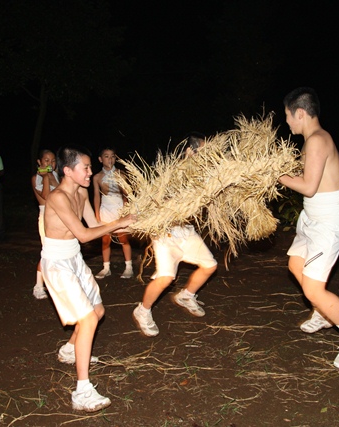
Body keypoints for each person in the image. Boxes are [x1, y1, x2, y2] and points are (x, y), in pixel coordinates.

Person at [277, 87, 339, 369]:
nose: (288, 122)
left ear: (300, 113)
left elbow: (308, 186)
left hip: (328, 223)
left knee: (314, 289)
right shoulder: (313, 140)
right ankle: (323, 314)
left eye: (288, 116)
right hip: (312, 218)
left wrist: (276, 175)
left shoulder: (317, 141)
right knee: (295, 266)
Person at [41, 145, 135, 412]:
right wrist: (118, 223)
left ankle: (70, 350)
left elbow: (94, 226)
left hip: (74, 259)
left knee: (98, 311)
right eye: (85, 167)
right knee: (88, 319)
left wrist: (129, 224)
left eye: (89, 167)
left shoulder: (81, 192)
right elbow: (84, 235)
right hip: (58, 263)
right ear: (68, 171)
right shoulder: (57, 197)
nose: (90, 171)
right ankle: (82, 391)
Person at [132, 132, 218, 337]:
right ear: (190, 151)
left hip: (186, 230)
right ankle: (142, 310)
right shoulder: (171, 173)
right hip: (165, 233)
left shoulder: (202, 175)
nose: (208, 157)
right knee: (166, 277)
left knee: (210, 265)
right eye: (204, 152)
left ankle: (186, 295)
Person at [92, 148, 134, 279]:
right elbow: (96, 196)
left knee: (123, 238)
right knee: (105, 240)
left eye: (112, 156)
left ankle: (129, 267)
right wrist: (97, 215)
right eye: (106, 156)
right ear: (100, 159)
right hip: (105, 209)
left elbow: (126, 195)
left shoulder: (120, 174)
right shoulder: (97, 177)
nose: (110, 159)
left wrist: (125, 212)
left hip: (118, 208)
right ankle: (106, 268)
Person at [31, 149, 60, 299]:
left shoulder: (55, 175)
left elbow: (63, 191)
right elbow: (46, 196)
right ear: (39, 162)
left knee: (60, 252)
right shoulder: (36, 178)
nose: (50, 164)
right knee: (47, 252)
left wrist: (51, 177)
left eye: (53, 160)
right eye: (47, 160)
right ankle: (38, 286)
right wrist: (45, 178)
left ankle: (56, 285)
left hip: (60, 216)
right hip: (46, 217)